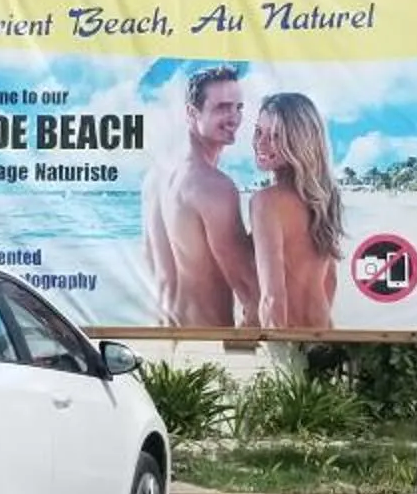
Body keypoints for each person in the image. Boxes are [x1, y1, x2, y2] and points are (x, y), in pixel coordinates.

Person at [141, 64, 259, 327]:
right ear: (191, 113)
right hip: (208, 343)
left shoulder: (155, 178)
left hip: (163, 338)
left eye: (238, 107)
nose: (234, 118)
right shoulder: (213, 186)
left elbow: (152, 262)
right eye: (222, 108)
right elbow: (251, 291)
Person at [249, 92, 344, 329]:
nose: (261, 143)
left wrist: (278, 350)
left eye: (276, 136)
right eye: (258, 131)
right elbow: (330, 281)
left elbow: (273, 298)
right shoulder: (325, 197)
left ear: (300, 141)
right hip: (323, 333)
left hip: (288, 340)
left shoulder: (266, 202)